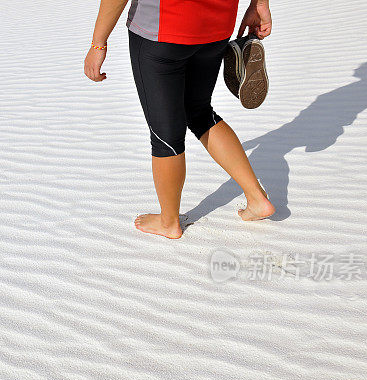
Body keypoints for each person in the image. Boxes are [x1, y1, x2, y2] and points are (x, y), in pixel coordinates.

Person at [84, 0, 275, 239]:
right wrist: (260, 4)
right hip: (217, 26)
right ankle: (257, 199)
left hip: (163, 30)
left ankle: (169, 222)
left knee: (166, 133)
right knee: (200, 112)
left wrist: (98, 44)